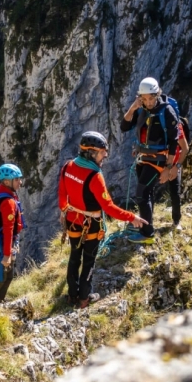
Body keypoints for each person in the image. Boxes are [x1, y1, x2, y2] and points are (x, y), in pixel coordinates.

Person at [58, 131, 147, 309]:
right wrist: (132, 217)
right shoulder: (95, 176)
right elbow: (109, 208)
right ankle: (84, 299)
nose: (105, 155)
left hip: (73, 221)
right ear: (90, 153)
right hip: (91, 225)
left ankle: (72, 296)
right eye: (101, 152)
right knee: (89, 260)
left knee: (74, 258)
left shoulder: (67, 167)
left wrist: (68, 214)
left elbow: (62, 200)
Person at [120, 77, 180, 244]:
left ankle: (147, 233)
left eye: (151, 98)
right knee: (147, 193)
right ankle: (146, 225)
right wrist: (133, 108)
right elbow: (124, 127)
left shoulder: (167, 111)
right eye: (144, 99)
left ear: (157, 94)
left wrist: (169, 167)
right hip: (142, 157)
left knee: (142, 193)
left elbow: (174, 141)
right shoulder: (140, 109)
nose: (148, 102)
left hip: (159, 159)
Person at [0, 163, 24, 303]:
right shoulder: (8, 202)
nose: (20, 182)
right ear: (6, 181)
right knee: (5, 275)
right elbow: (8, 229)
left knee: (1, 273)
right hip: (4, 242)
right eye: (16, 179)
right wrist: (7, 254)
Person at [167, 125, 190, 231]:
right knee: (147, 190)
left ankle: (176, 221)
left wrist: (177, 167)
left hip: (174, 164)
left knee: (175, 193)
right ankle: (147, 221)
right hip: (159, 164)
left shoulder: (176, 125)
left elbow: (185, 148)